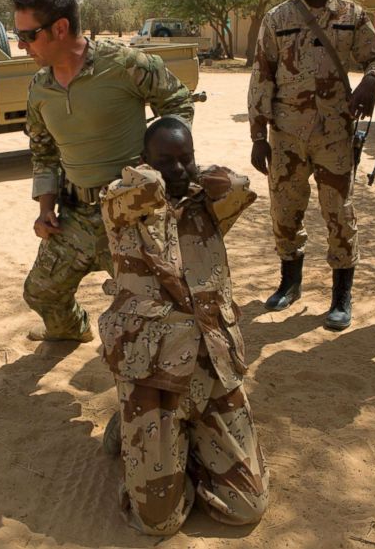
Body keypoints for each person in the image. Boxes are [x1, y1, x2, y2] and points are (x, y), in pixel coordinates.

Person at [98, 117, 269, 535]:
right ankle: (135, 426)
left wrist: (197, 174)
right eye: (165, 161)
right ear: (144, 161)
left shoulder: (204, 205)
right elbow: (136, 192)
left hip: (211, 366)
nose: (176, 170)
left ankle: (187, 447)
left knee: (246, 507)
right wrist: (157, 179)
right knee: (158, 523)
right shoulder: (120, 205)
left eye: (184, 159)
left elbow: (241, 186)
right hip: (154, 374)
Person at [15, 0, 194, 343]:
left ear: (60, 28)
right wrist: (45, 207)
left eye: (29, 35)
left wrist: (160, 159)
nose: (21, 45)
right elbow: (43, 150)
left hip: (131, 215)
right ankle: (70, 331)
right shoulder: (39, 88)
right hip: (76, 217)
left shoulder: (125, 64)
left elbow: (177, 101)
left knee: (154, 305)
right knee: (40, 292)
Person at [248, 0, 375, 329]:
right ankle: (289, 283)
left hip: (333, 135)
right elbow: (262, 74)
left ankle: (340, 297)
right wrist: (258, 135)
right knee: (284, 212)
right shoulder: (277, 18)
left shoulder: (352, 15)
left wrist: (371, 82)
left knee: (339, 214)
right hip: (286, 135)